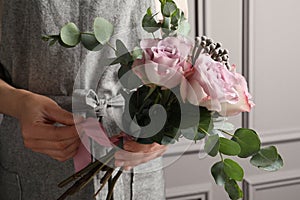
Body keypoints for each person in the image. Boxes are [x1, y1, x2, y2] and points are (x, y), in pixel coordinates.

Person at [0, 0, 188, 199]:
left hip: (137, 172)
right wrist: (19, 103)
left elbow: (180, 58)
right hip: (32, 164)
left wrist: (167, 127)